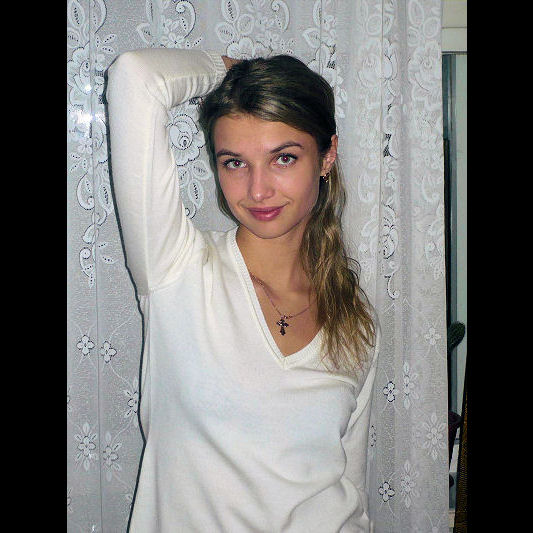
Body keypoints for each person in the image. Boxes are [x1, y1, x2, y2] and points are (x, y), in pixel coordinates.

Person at [106, 48, 380, 533]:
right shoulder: (176, 271)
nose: (257, 190)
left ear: (327, 156)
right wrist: (232, 72)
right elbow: (135, 77)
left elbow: (352, 493)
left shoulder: (355, 318)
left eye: (283, 158)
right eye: (234, 162)